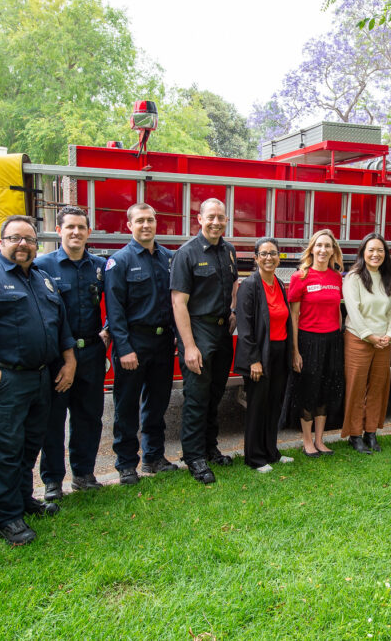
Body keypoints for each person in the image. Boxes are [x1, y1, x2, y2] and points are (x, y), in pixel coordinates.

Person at [0, 215, 76, 545]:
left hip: (40, 378)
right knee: (3, 449)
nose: (23, 244)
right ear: (1, 242)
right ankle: (6, 516)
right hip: (5, 379)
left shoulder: (43, 280)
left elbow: (61, 325)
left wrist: (68, 361)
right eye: (15, 238)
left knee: (28, 445)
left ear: (37, 246)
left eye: (29, 239)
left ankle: (23, 500)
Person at [35, 206, 108, 500]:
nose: (76, 232)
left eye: (81, 227)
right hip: (57, 357)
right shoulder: (42, 267)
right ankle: (53, 481)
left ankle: (84, 474)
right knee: (53, 419)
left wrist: (108, 331)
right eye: (70, 227)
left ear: (88, 232)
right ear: (59, 230)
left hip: (91, 351)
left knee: (89, 416)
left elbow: (116, 303)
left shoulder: (101, 266)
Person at [105, 202, 178, 485]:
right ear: (129, 226)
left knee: (158, 403)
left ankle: (154, 457)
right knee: (126, 406)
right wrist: (124, 348)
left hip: (162, 342)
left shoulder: (169, 258)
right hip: (133, 341)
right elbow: (115, 310)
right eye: (140, 221)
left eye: (150, 220)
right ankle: (126, 463)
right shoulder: (119, 261)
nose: (146, 225)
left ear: (156, 223)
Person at [171, 198, 239, 484]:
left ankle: (211, 449)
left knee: (215, 396)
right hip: (198, 332)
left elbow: (234, 283)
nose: (216, 222)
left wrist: (234, 309)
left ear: (226, 221)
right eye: (210, 217)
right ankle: (194, 457)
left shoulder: (229, 250)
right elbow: (178, 303)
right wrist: (188, 346)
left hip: (222, 333)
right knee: (197, 398)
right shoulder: (186, 254)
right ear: (199, 219)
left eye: (221, 218)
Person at [234, 237, 295, 471]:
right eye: (264, 253)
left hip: (279, 352)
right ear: (256, 257)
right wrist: (254, 360)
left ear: (279, 257)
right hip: (261, 355)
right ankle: (255, 457)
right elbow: (245, 327)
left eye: (273, 253)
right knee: (257, 406)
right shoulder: (249, 286)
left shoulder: (279, 284)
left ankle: (272, 452)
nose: (269, 258)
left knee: (274, 405)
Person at [288, 229, 345, 456]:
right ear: (312, 249)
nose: (323, 250)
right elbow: (293, 316)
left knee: (326, 390)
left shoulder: (337, 277)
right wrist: (295, 350)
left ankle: (320, 440)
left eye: (328, 246)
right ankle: (307, 441)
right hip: (308, 340)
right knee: (308, 392)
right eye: (319, 245)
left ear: (333, 251)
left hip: (332, 340)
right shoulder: (300, 277)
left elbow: (338, 311)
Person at [341, 233, 391, 453]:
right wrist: (368, 335)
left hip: (382, 341)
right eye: (371, 250)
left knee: (378, 388)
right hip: (358, 339)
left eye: (380, 250)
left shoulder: (388, 277)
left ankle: (371, 432)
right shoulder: (354, 277)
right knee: (356, 388)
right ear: (363, 253)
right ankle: (355, 435)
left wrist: (389, 334)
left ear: (385, 254)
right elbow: (353, 310)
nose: (376, 254)